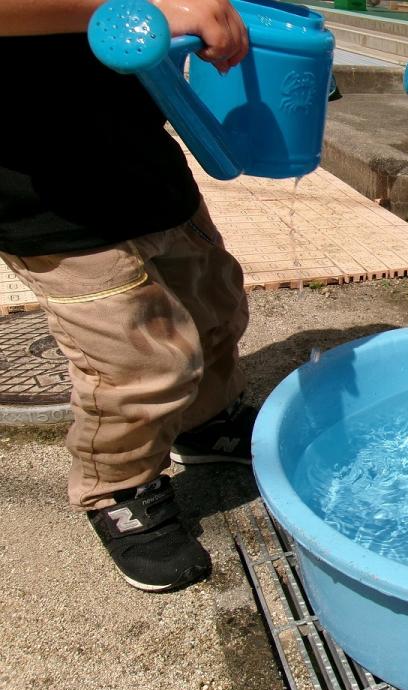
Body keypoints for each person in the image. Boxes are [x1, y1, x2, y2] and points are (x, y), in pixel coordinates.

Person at [0, 0, 255, 593]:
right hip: (43, 190)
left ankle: (206, 420)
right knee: (137, 364)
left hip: (142, 156)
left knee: (215, 304)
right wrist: (154, 8)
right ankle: (118, 485)